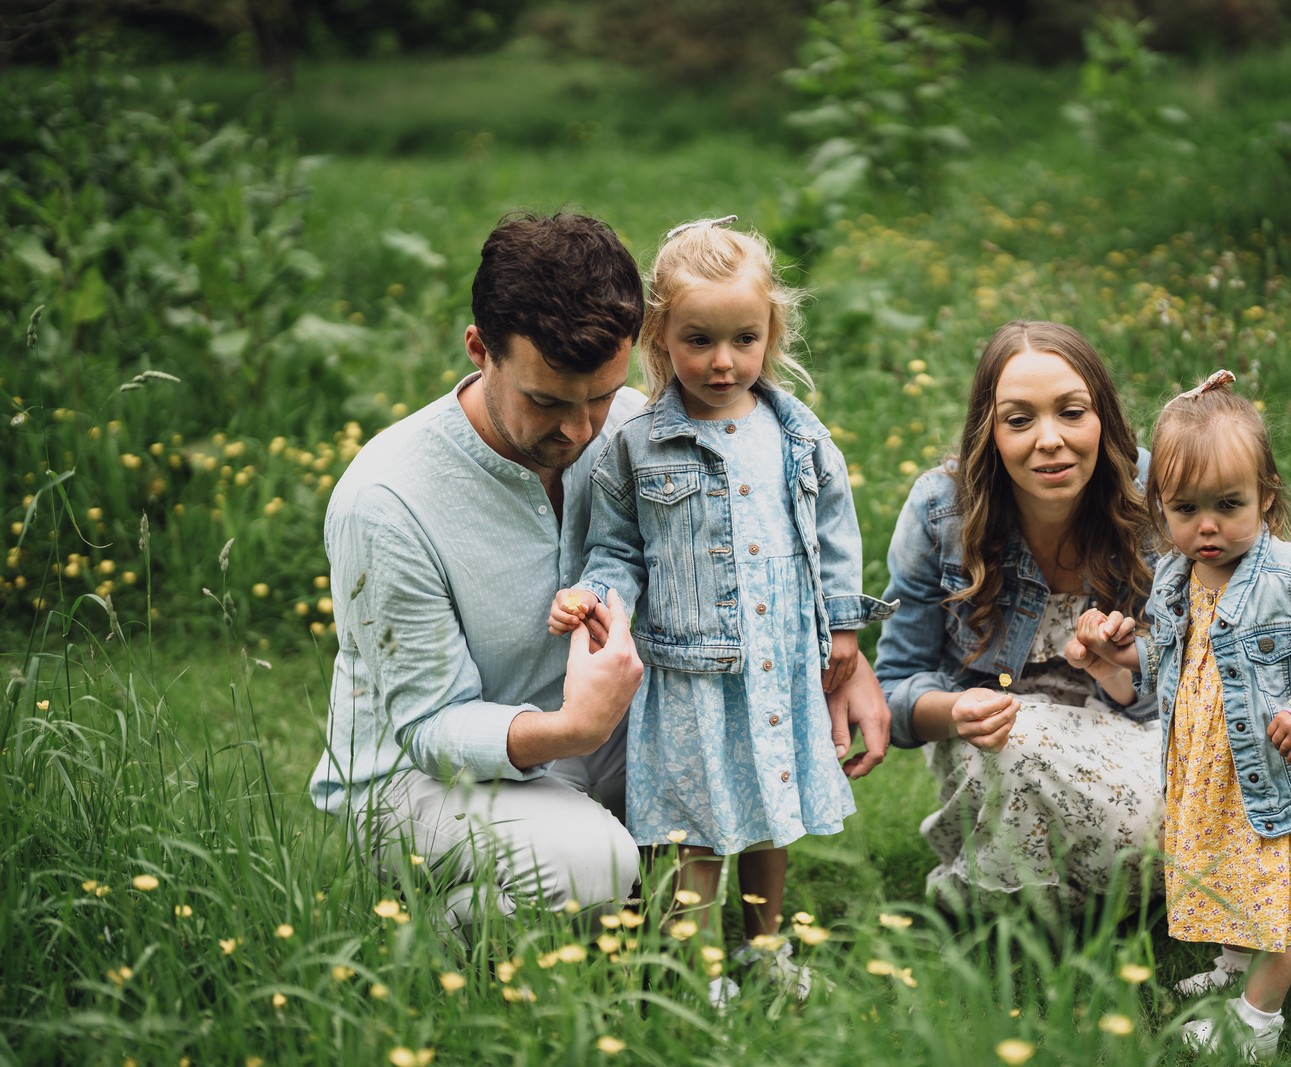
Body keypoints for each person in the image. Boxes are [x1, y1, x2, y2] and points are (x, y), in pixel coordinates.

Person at [309, 211, 892, 935]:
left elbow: (752, 539)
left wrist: (835, 653)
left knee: (721, 772)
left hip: (603, 728)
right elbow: (431, 726)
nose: (581, 430)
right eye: (548, 401)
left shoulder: (635, 428)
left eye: (601, 394)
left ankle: (609, 913)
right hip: (428, 777)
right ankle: (426, 931)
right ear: (479, 349)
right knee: (602, 869)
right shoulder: (387, 501)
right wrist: (568, 728)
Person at [550, 216, 895, 1000]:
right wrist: (596, 603)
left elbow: (833, 531)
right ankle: (695, 965)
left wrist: (842, 626)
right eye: (699, 340)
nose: (723, 360)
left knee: (770, 816)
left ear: (770, 333)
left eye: (744, 338)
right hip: (690, 672)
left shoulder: (795, 433)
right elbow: (617, 551)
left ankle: (766, 946)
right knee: (700, 829)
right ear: (660, 339)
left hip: (778, 662)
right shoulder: (636, 443)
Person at [1077, 369, 1291, 1060]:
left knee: (1274, 897)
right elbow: (1171, 658)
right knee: (1222, 867)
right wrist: (1130, 651)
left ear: (1266, 497)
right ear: (1159, 505)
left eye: (1228, 503)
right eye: (1185, 509)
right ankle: (1234, 962)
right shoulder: (1174, 573)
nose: (1206, 525)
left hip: (1276, 773)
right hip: (1208, 768)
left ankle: (1257, 1020)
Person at [873, 320, 1164, 921]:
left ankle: (1068, 902)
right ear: (992, 433)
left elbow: (1185, 684)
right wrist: (955, 710)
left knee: (1170, 836)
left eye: (1071, 412)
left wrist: (1119, 671)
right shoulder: (941, 510)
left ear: (1103, 416)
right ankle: (1006, 913)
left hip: (1127, 733)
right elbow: (894, 688)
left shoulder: (1153, 496)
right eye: (1020, 419)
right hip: (992, 742)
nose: (1050, 439)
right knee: (1019, 739)